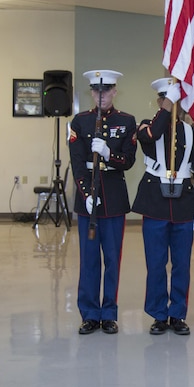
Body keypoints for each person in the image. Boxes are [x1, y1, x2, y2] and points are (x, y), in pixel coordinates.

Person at [132, 78, 194, 336]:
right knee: (156, 263)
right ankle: (158, 314)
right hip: (155, 203)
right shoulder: (146, 126)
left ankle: (177, 313)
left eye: (176, 98)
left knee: (182, 264)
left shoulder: (192, 132)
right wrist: (167, 106)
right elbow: (153, 134)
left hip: (184, 204)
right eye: (166, 98)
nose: (173, 103)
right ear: (159, 101)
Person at [69, 70, 137, 335]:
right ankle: (89, 314)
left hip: (115, 197)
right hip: (89, 200)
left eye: (106, 90)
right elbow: (77, 163)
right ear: (91, 93)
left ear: (114, 91)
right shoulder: (80, 121)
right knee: (88, 261)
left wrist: (109, 154)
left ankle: (108, 313)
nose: (101, 95)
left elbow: (129, 161)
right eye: (97, 91)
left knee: (112, 259)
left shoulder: (126, 121)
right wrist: (87, 194)